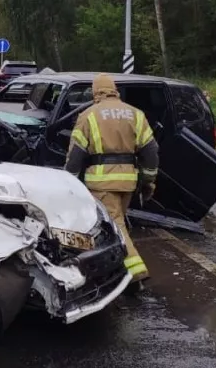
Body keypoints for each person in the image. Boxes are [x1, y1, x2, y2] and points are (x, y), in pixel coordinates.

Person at [64, 73, 159, 292]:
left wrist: (68, 182)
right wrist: (148, 180)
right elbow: (151, 151)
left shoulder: (88, 115)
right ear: (114, 89)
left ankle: (135, 274)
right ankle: (118, 272)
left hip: (101, 183)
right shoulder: (135, 114)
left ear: (95, 91)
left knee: (116, 228)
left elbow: (75, 156)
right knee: (119, 223)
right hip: (128, 182)